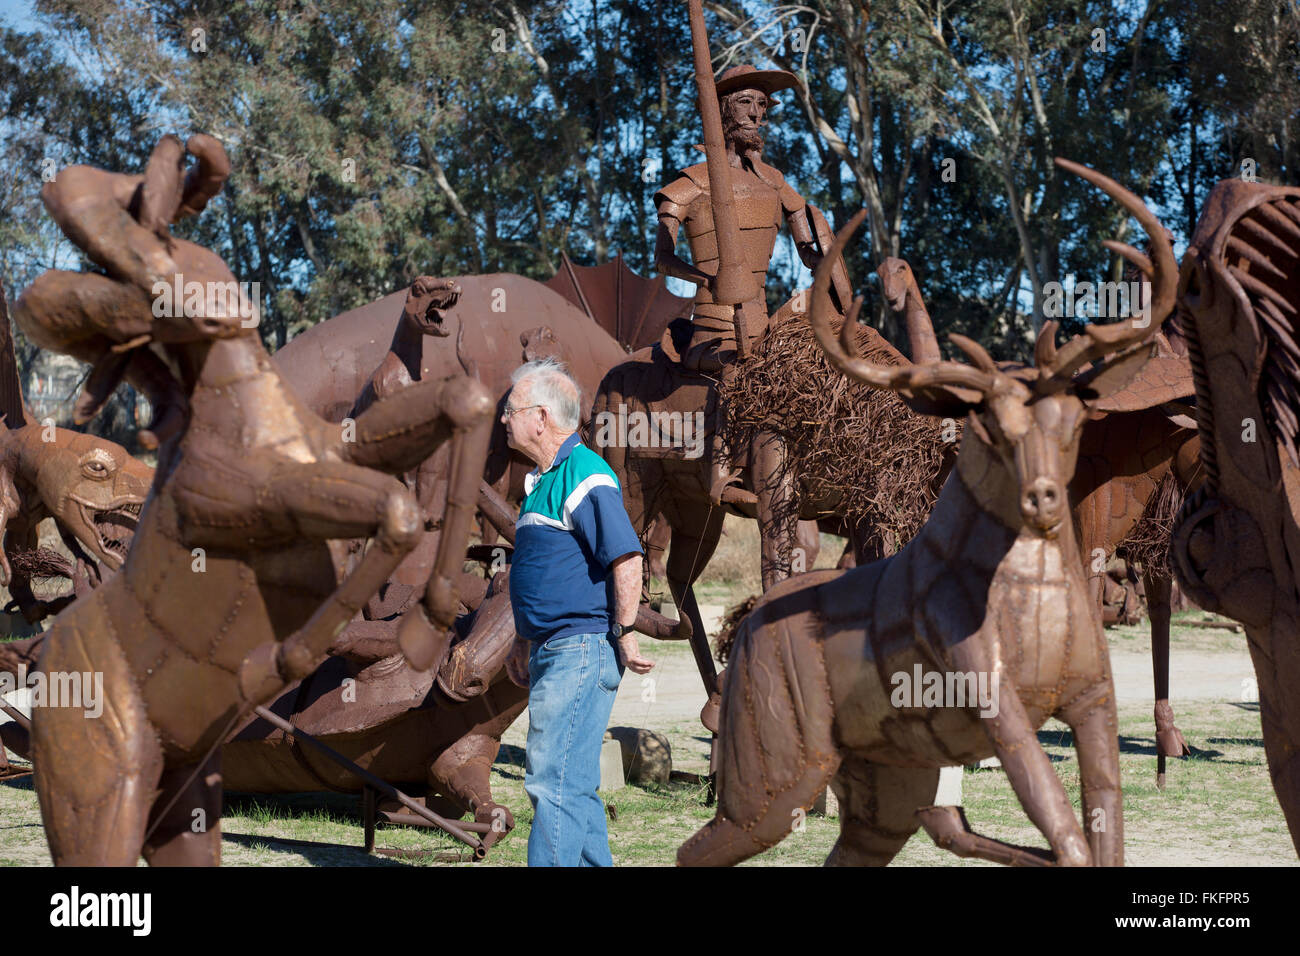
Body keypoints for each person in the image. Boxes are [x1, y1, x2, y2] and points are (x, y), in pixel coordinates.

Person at [501, 358, 654, 867]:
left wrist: (626, 632)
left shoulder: (586, 473)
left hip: (580, 650)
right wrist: (524, 642)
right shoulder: (543, 482)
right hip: (554, 650)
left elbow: (627, 556)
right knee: (575, 785)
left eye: (511, 410)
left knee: (551, 780)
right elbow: (544, 576)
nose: (504, 419)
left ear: (540, 417)